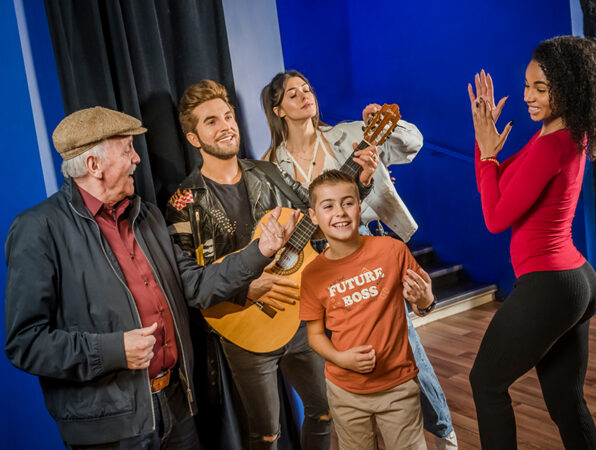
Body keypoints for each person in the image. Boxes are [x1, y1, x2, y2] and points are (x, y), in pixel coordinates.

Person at [4, 106, 296, 449]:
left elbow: (198, 286)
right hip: (111, 428)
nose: (136, 159)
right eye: (126, 149)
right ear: (94, 165)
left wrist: (260, 250)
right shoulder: (38, 229)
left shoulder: (148, 217)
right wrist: (113, 350)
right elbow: (26, 343)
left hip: (176, 407)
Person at [166, 79, 377, 450]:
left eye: (228, 116)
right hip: (242, 326)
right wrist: (246, 286)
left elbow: (316, 218)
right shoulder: (185, 203)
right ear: (193, 138)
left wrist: (358, 184)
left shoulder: (267, 173)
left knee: (325, 410)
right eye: (211, 121)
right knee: (266, 434)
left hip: (295, 317)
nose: (226, 125)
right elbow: (189, 283)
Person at [261, 70, 458, 449]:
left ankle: (443, 431)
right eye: (292, 93)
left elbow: (411, 145)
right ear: (278, 109)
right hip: (311, 265)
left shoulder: (349, 136)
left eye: (307, 89)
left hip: (364, 244)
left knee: (404, 343)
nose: (305, 96)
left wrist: (387, 124)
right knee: (338, 352)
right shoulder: (271, 165)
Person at [467, 36, 596, 449]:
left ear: (568, 86)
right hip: (574, 279)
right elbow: (506, 183)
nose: (528, 96)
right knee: (564, 401)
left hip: (550, 284)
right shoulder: (558, 136)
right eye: (527, 85)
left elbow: (495, 216)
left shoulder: (553, 145)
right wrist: (485, 148)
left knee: (485, 384)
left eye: (541, 88)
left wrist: (486, 154)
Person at [301, 169, 436, 450]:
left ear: (359, 206)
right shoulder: (312, 274)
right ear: (314, 216)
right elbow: (315, 335)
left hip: (398, 386)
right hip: (345, 392)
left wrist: (424, 298)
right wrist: (341, 358)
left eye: (347, 202)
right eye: (328, 206)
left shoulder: (392, 250)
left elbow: (424, 304)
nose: (339, 212)